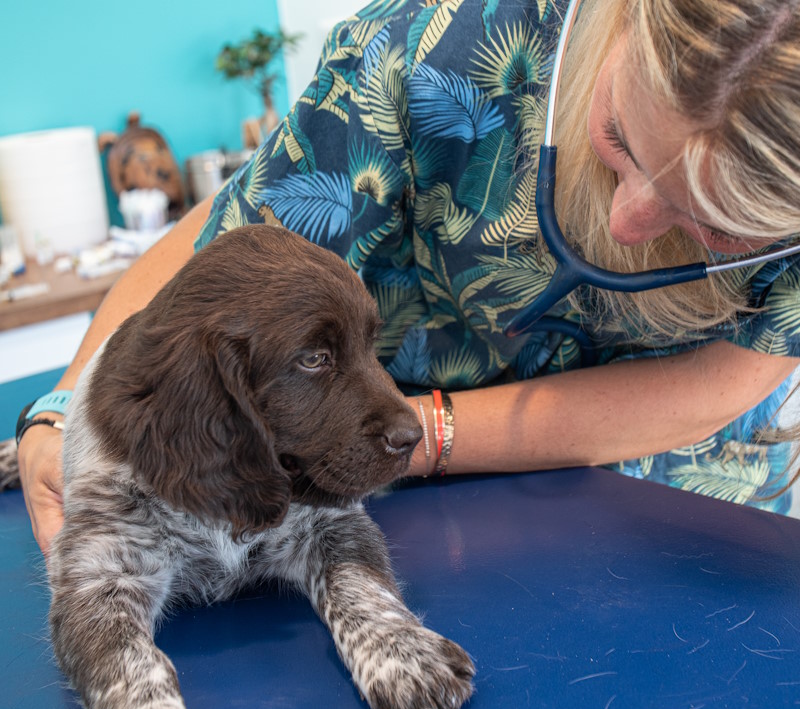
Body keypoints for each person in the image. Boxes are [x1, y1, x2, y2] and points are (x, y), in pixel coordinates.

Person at [16, 0, 800, 556]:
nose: (631, 220)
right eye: (617, 135)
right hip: (384, 483)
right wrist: (64, 406)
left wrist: (420, 436)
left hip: (682, 509)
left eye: (716, 220)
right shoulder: (419, 58)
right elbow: (223, 258)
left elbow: (722, 379)